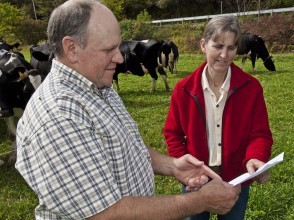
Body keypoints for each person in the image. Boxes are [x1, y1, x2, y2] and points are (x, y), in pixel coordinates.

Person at [15, 1, 241, 219]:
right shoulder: (59, 116)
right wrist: (200, 201)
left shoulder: (98, 84)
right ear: (72, 48)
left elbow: (124, 147)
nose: (120, 57)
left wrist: (171, 165)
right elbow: (106, 213)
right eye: (109, 49)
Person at [164, 15, 273, 220]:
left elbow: (259, 134)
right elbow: (172, 133)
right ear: (204, 45)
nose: (224, 54)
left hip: (236, 178)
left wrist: (255, 157)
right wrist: (189, 170)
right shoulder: (183, 89)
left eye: (231, 48)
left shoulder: (251, 88)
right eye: (218, 46)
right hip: (196, 180)